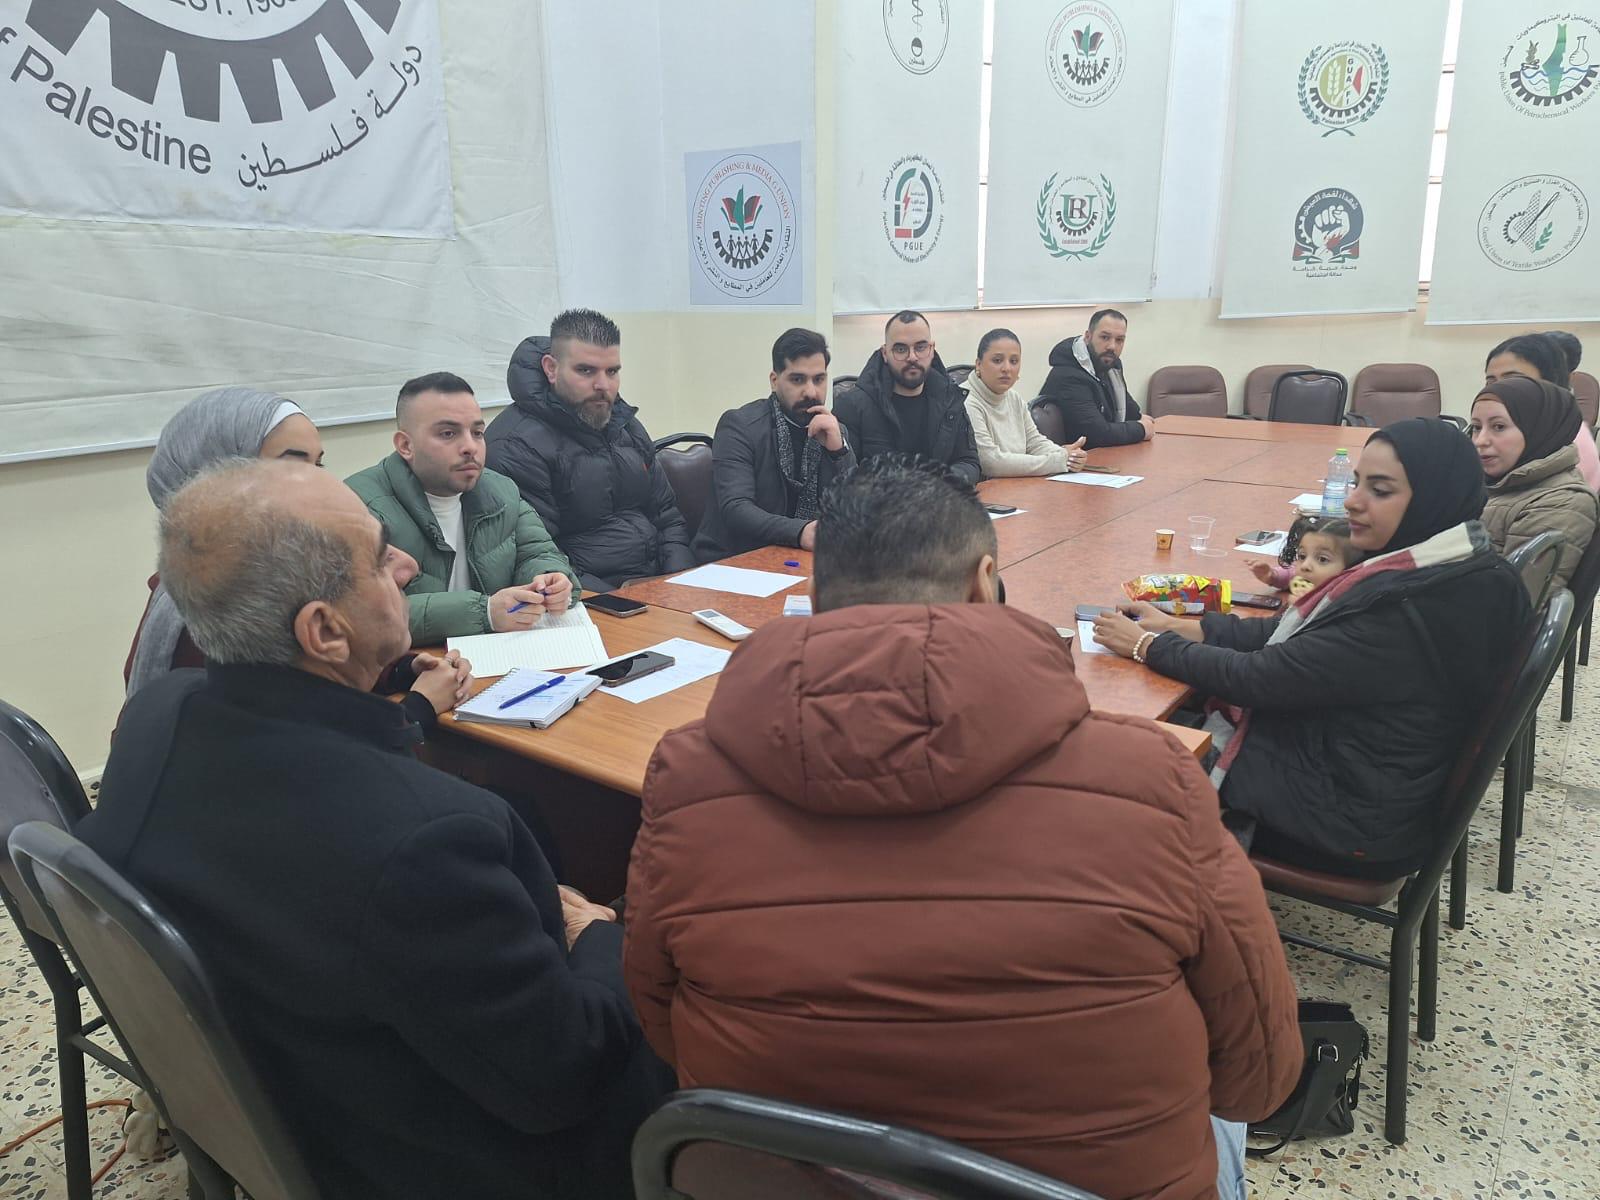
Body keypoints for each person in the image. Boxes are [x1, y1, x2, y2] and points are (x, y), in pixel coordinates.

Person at [625, 456, 1301, 1200]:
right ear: (986, 584)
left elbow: (662, 1025)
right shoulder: (1153, 776)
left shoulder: (684, 777)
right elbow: (1257, 1080)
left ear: (816, 596)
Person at [82, 459, 673, 1200]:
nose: (405, 566)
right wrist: (601, 935)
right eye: (377, 556)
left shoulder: (157, 714)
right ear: (324, 631)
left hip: (286, 1089)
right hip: (441, 1160)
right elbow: (569, 1072)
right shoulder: (424, 843)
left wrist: (383, 674)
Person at [1094, 419, 1531, 879]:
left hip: (1342, 819)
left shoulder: (1410, 607)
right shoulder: (1449, 565)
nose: (1352, 501)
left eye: (1380, 490)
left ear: (1431, 497)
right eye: (1358, 482)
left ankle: (1130, 891)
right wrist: (1188, 628)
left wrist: (1148, 645)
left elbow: (1261, 678)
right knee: (1174, 717)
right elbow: (1297, 638)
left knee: (1116, 757)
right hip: (1372, 780)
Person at [346, 372, 580, 642]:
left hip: (497, 651)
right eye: (448, 434)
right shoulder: (357, 505)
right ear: (406, 445)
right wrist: (485, 613)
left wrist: (550, 579)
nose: (470, 446)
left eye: (477, 433)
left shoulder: (501, 490)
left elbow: (539, 553)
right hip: (415, 661)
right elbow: (361, 613)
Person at [124, 386, 324, 699]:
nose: (319, 486)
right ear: (214, 478)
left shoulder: (292, 570)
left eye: (318, 466)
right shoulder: (209, 608)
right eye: (292, 467)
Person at [486, 309, 695, 589]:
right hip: (589, 596)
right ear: (551, 369)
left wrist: (680, 582)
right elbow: (538, 557)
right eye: (585, 371)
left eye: (612, 371)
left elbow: (667, 516)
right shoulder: (515, 446)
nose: (603, 386)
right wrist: (622, 602)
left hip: (655, 586)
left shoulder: (623, 423)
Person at [692, 328, 856, 562]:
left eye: (819, 379)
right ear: (774, 381)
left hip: (800, 560)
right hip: (734, 559)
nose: (811, 391)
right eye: (797, 379)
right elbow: (736, 508)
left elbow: (855, 509)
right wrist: (800, 532)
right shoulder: (739, 426)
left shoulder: (833, 430)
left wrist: (838, 453)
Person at [1472, 376, 1598, 592]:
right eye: (1476, 427)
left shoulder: (1564, 502)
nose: (1480, 440)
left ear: (1539, 428)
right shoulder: (1494, 482)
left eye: (1498, 427)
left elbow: (1518, 598)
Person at [832, 310, 981, 484]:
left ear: (932, 349)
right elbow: (842, 476)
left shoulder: (950, 399)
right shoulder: (851, 406)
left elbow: (969, 462)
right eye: (901, 349)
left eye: (920, 347)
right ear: (885, 353)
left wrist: (940, 483)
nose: (912, 357)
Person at [962, 328, 1087, 477]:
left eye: (1014, 361)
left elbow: (1034, 443)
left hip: (1016, 485)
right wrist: (1057, 461)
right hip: (982, 489)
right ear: (978, 364)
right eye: (997, 360)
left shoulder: (1014, 398)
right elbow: (991, 463)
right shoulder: (966, 401)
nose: (1007, 368)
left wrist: (1067, 456)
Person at [1485, 332, 1600, 491]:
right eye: (1491, 382)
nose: (1499, 389)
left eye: (1514, 380)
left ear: (1551, 383)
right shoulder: (1507, 427)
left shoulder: (1572, 441)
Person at [1036, 308, 1155, 448]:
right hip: (1076, 458)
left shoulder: (1109, 364)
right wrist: (1141, 429)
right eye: (1105, 337)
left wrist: (1139, 417)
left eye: (1119, 340)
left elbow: (1126, 405)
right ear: (1088, 337)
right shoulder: (1069, 375)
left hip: (1102, 453)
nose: (1112, 346)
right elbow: (1096, 434)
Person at [1246, 519, 1358, 598]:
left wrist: (1300, 609)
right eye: (1302, 556)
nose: (1305, 565)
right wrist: (1273, 576)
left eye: (1322, 559)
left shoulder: (1345, 601)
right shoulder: (1312, 579)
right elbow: (1292, 574)